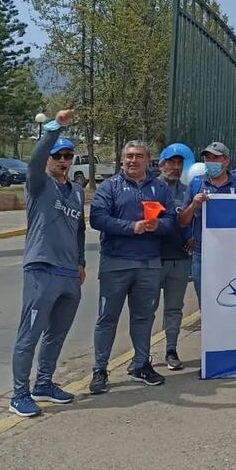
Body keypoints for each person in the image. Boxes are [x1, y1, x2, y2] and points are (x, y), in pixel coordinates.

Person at [9, 109, 85, 418]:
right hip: (42, 268)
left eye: (68, 156)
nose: (63, 161)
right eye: (58, 156)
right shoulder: (39, 184)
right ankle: (19, 394)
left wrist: (80, 262)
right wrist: (55, 128)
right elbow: (35, 159)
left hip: (69, 274)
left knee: (57, 334)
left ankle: (44, 384)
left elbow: (79, 230)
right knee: (30, 334)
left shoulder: (77, 193)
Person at [89, 141, 176, 394]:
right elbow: (98, 218)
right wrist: (132, 227)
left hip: (149, 262)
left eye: (138, 156)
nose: (132, 160)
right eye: (128, 156)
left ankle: (141, 364)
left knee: (143, 317)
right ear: (122, 159)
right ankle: (100, 369)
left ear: (147, 160)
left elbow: (170, 219)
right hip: (115, 262)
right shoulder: (109, 187)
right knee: (107, 318)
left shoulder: (159, 188)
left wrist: (157, 226)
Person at [178, 142, 236, 305]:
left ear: (226, 161)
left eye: (216, 158)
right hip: (202, 254)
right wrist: (193, 205)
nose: (210, 161)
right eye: (207, 158)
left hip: (231, 254)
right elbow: (183, 221)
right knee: (206, 304)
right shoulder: (196, 184)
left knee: (231, 301)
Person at [156, 144, 192, 371]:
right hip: (153, 258)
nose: (175, 167)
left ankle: (171, 350)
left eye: (179, 163)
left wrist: (193, 236)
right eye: (171, 162)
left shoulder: (187, 190)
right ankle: (141, 357)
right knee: (145, 309)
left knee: (174, 309)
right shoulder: (150, 188)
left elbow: (194, 218)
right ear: (161, 164)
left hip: (179, 257)